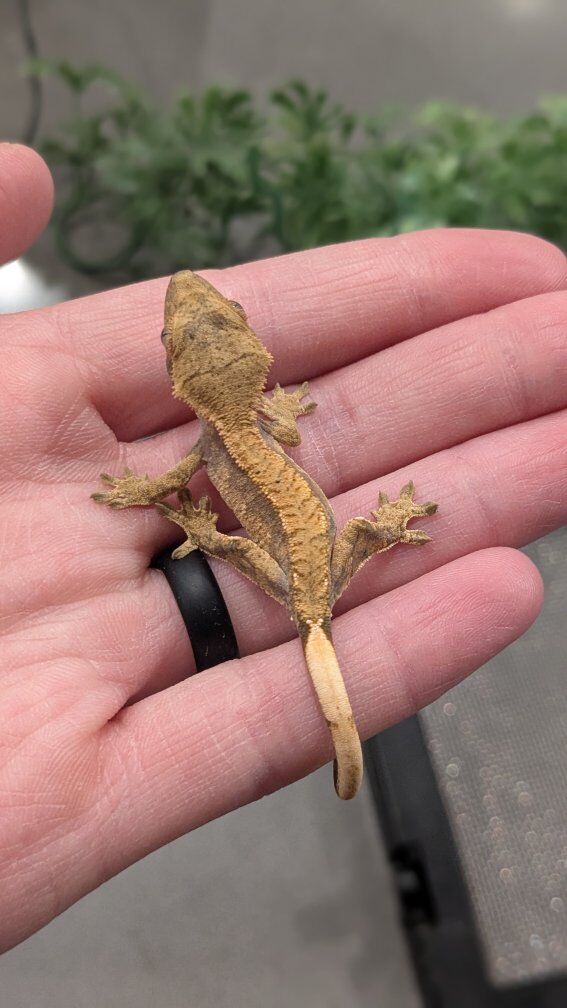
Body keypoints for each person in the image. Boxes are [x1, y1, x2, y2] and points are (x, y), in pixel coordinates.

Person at [0, 141, 565, 952]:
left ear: (188, 380)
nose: (192, 314)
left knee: (259, 552)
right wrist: (252, 465)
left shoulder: (211, 447)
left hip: (296, 577)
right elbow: (263, 437)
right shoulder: (255, 423)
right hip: (321, 564)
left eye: (210, 326)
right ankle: (376, 537)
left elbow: (169, 485)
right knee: (326, 544)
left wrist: (187, 522)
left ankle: (350, 552)